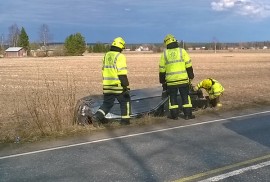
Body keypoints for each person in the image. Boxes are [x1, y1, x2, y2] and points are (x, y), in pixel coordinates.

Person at [91, 37, 131, 127]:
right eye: (122, 48)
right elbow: (122, 73)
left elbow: (103, 70)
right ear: (120, 46)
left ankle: (97, 117)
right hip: (117, 86)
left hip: (107, 85)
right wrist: (126, 86)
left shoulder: (106, 55)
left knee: (107, 104)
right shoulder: (120, 56)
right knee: (125, 101)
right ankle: (125, 121)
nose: (122, 50)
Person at [159, 34, 195, 120]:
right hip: (183, 80)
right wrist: (191, 76)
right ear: (175, 41)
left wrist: (162, 81)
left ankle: (174, 116)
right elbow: (188, 65)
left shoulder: (164, 54)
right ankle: (187, 115)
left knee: (173, 98)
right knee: (185, 97)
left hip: (171, 81)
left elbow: (162, 69)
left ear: (167, 43)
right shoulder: (182, 51)